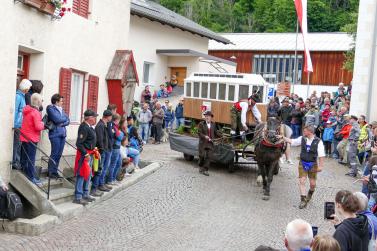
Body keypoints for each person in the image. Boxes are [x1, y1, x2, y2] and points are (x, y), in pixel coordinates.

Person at [283, 125, 325, 209]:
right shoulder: (302, 138)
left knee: (312, 184)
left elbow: (321, 155)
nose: (303, 132)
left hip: (313, 164)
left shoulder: (318, 141)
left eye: (305, 131)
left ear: (310, 132)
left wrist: (321, 166)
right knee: (302, 181)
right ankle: (303, 199)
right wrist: (283, 137)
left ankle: (310, 193)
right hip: (302, 162)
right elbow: (292, 141)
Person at [73, 109, 99, 205]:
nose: (95, 118)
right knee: (82, 174)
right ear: (89, 118)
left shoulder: (90, 127)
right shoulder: (84, 127)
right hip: (85, 155)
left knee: (87, 175)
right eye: (94, 117)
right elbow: (79, 143)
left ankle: (85, 194)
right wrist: (86, 154)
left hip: (90, 153)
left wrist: (94, 149)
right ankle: (78, 196)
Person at [20, 93, 45, 185]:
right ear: (38, 101)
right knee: (31, 158)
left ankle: (24, 171)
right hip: (32, 138)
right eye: (41, 100)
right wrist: (43, 124)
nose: (42, 102)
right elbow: (38, 127)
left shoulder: (27, 109)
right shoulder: (36, 112)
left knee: (25, 157)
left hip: (24, 136)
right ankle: (31, 176)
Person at [46, 94, 70, 179]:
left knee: (59, 154)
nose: (62, 103)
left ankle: (55, 171)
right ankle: (50, 172)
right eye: (61, 101)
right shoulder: (50, 108)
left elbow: (68, 120)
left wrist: (62, 122)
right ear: (56, 101)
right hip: (55, 134)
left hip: (63, 134)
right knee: (54, 153)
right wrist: (63, 119)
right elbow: (57, 119)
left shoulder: (61, 109)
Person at [13, 79, 32, 170]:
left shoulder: (22, 96)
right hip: (17, 125)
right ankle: (14, 162)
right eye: (28, 88)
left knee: (19, 144)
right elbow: (15, 111)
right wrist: (15, 124)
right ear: (25, 88)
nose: (28, 90)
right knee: (16, 145)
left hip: (20, 125)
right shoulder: (18, 96)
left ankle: (17, 161)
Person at [93, 110, 113, 195]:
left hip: (105, 149)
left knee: (103, 168)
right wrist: (102, 149)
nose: (111, 118)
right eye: (111, 116)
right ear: (108, 116)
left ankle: (101, 184)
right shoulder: (100, 125)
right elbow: (100, 139)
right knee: (99, 169)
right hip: (102, 150)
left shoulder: (104, 124)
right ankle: (97, 186)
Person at [198, 111, 222, 176]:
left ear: (211, 117)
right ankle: (200, 166)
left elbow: (216, 132)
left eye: (208, 116)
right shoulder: (201, 124)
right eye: (206, 116)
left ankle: (205, 170)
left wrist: (222, 136)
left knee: (209, 156)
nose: (207, 117)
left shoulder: (213, 124)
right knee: (202, 156)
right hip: (203, 142)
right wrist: (205, 136)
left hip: (210, 143)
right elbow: (199, 133)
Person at [108, 114, 124, 185]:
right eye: (119, 120)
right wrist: (121, 134)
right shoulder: (113, 127)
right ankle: (111, 180)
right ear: (117, 120)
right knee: (113, 164)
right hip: (115, 148)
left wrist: (121, 133)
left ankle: (113, 178)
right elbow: (120, 137)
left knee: (118, 163)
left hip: (117, 147)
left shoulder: (115, 127)